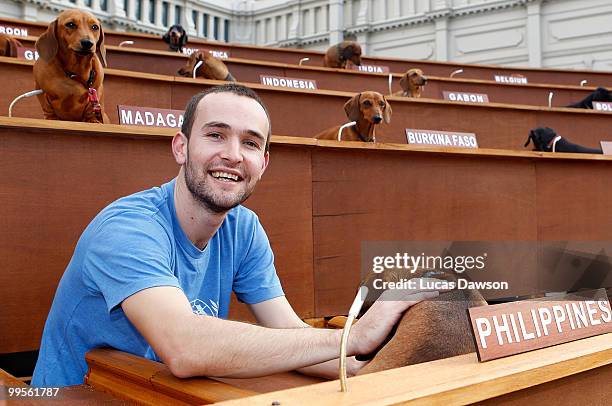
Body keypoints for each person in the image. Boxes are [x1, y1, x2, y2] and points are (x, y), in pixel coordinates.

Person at [32, 84, 441, 387]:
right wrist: (356, 336)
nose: (232, 154)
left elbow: (287, 332)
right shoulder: (127, 228)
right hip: (79, 396)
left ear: (263, 163)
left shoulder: (243, 229)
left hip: (162, 393)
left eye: (249, 143)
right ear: (180, 146)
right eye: (215, 135)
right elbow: (185, 347)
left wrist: (360, 368)